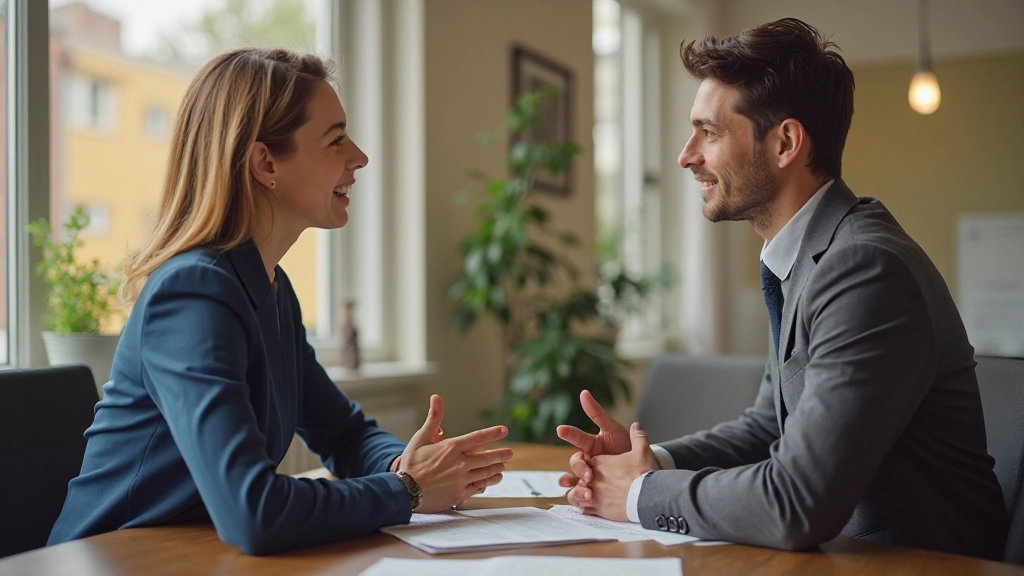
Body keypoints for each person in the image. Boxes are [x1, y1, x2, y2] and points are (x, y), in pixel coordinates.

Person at [556, 18, 1008, 559]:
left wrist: (637, 494)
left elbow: (797, 501)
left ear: (785, 143)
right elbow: (768, 425)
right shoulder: (811, 255)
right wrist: (651, 464)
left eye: (710, 132)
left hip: (920, 567)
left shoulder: (864, 268)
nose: (686, 155)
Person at [48, 48, 512, 555]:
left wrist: (408, 464)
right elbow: (253, 512)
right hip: (112, 562)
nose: (359, 157)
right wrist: (410, 490)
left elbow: (345, 434)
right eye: (336, 140)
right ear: (265, 162)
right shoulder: (192, 294)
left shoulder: (270, 288)